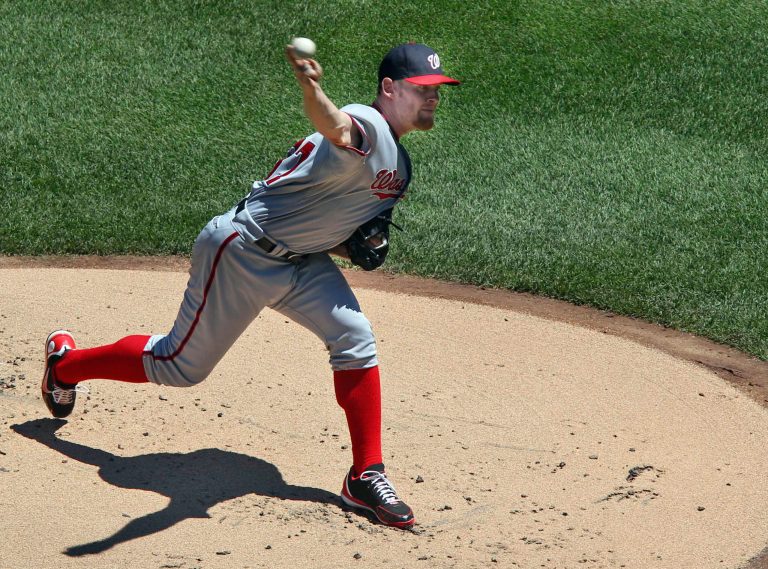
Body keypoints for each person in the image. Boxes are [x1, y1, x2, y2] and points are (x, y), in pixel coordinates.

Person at [40, 42, 460, 529]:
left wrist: (355, 247)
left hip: (304, 263)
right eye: (422, 89)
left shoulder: (400, 167)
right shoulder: (364, 122)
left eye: (437, 90)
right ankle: (65, 366)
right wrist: (311, 88)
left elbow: (341, 223)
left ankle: (365, 475)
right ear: (389, 89)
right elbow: (334, 126)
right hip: (242, 251)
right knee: (178, 366)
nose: (432, 98)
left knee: (355, 338)